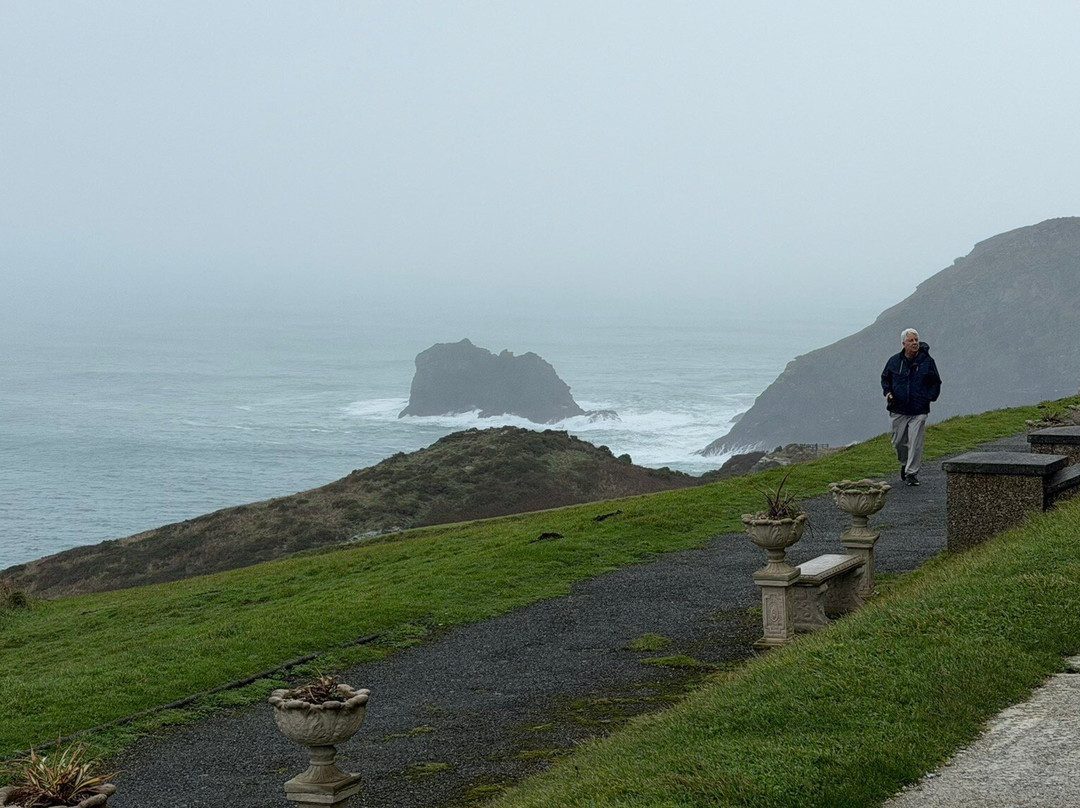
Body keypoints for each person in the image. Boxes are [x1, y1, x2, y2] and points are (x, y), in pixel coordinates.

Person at [880, 328, 941, 486]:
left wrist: (929, 397)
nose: (915, 343)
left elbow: (935, 381)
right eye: (911, 340)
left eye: (916, 340)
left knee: (915, 442)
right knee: (898, 442)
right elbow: (885, 378)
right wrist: (888, 393)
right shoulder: (894, 361)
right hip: (898, 409)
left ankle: (911, 473)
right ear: (903, 343)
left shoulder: (927, 362)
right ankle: (905, 462)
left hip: (919, 409)